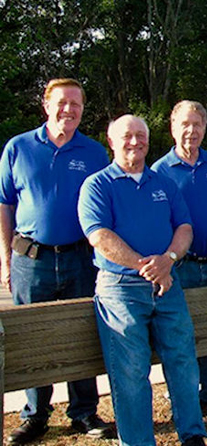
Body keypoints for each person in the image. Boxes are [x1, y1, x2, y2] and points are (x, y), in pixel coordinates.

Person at [78, 115, 207, 446]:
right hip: (120, 289)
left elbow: (184, 227)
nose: (135, 141)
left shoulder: (163, 183)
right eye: (127, 136)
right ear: (111, 141)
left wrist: (169, 261)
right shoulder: (97, 185)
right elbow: (99, 236)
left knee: (182, 362)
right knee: (131, 372)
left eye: (141, 135)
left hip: (168, 285)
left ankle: (192, 435)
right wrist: (146, 266)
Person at [0, 78, 115, 445]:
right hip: (30, 260)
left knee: (82, 335)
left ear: (83, 109)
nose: (69, 110)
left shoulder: (95, 152)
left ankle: (83, 412)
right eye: (62, 103)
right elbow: (5, 206)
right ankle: (35, 416)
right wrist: (5, 261)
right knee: (34, 339)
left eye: (76, 104)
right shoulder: (18, 148)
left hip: (80, 258)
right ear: (46, 105)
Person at [152, 101, 207, 414]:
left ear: (205, 128)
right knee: (178, 336)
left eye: (197, 124)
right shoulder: (160, 171)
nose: (191, 131)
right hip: (180, 268)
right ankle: (183, 397)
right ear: (173, 129)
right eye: (185, 125)